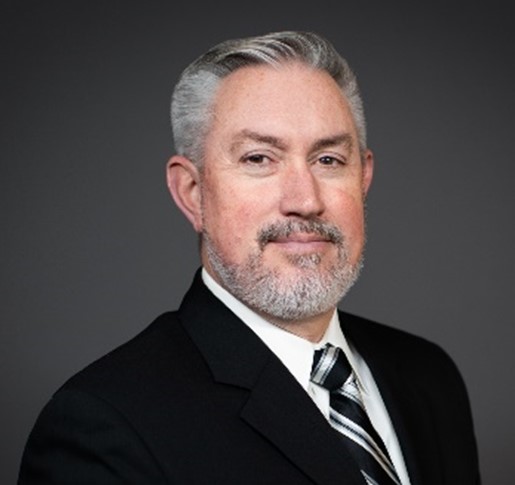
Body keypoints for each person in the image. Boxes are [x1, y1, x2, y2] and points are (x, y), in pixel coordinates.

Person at [18, 31, 480, 485]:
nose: (305, 200)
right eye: (259, 159)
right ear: (192, 191)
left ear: (363, 179)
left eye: (329, 160)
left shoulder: (428, 377)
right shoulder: (106, 425)